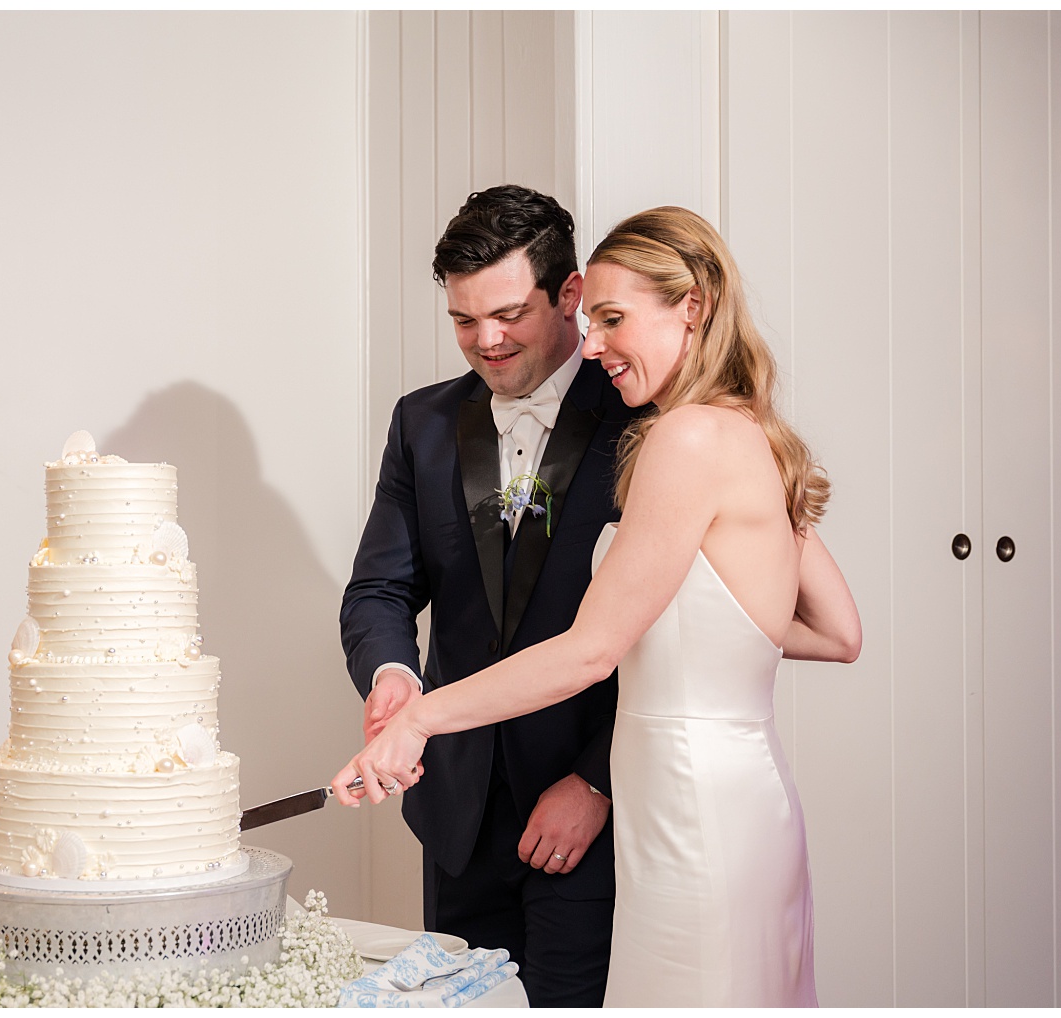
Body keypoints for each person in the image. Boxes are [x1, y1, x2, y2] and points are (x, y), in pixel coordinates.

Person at [335, 206, 862, 1007]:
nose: (595, 344)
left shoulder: (664, 429)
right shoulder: (740, 429)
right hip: (508, 813)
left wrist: (423, 721)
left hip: (650, 805)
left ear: (693, 304)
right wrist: (394, 679)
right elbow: (835, 631)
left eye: (608, 319)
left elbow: (591, 649)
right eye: (464, 320)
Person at [339, 185, 645, 1006]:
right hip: (457, 809)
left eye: (508, 313)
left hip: (589, 809)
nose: (487, 341)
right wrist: (393, 677)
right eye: (464, 320)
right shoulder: (424, 423)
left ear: (570, 294)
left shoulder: (643, 422)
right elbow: (378, 587)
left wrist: (595, 782)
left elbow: (666, 633)